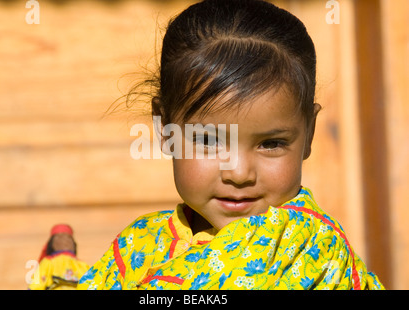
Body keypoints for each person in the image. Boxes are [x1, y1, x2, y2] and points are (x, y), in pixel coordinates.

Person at [78, 0, 384, 290]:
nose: (239, 173)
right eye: (209, 140)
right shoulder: (137, 245)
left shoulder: (304, 243)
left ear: (310, 133)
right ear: (164, 127)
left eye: (271, 144)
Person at [29, 224, 89, 290]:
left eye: (68, 238)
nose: (65, 241)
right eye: (59, 237)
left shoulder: (48, 262)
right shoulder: (82, 265)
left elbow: (36, 285)